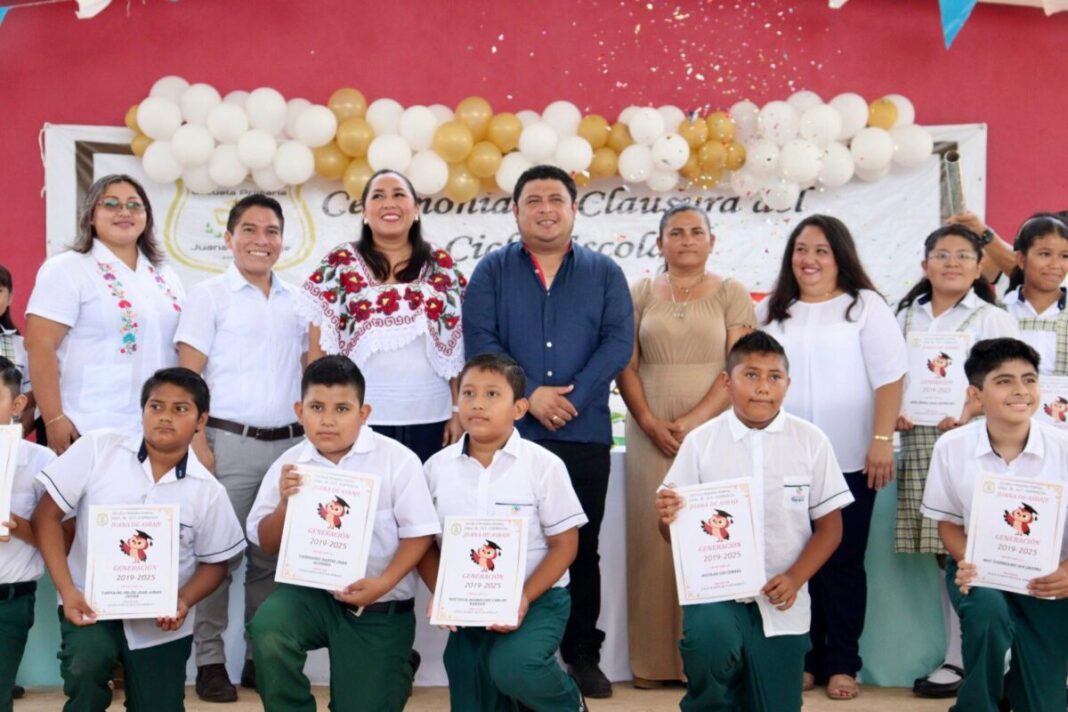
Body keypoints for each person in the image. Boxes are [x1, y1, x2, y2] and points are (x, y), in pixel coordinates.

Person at [462, 164, 633, 698]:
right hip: (511, 433)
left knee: (579, 547)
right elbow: (481, 340)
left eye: (555, 199)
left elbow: (618, 342)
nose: (544, 208)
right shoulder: (490, 271)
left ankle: (581, 654)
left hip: (583, 434)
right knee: (510, 541)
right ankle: (501, 641)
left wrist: (574, 398)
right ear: (515, 211)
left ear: (574, 209)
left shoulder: (604, 272)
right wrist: (529, 393)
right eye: (532, 199)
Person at [655, 331, 853, 712]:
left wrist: (796, 578)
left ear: (787, 385)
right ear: (727, 383)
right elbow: (670, 531)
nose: (763, 387)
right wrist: (667, 518)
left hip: (781, 600)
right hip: (716, 594)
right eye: (751, 375)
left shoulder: (811, 441)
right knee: (710, 643)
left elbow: (831, 529)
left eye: (774, 377)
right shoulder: (701, 442)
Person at [31, 368, 245, 712]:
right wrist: (68, 591)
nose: (165, 417)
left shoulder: (208, 491)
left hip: (162, 622)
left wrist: (183, 600)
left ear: (201, 420)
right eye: (156, 406)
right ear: (142, 409)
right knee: (86, 664)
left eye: (180, 409)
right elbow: (46, 517)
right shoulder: (99, 449)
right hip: (88, 606)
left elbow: (216, 563)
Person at [756, 214, 907, 700]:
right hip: (786, 460)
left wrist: (881, 439)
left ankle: (841, 662)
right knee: (792, 559)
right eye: (801, 249)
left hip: (850, 459)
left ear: (840, 255)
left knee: (842, 562)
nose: (810, 259)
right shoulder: (772, 313)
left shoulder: (864, 307)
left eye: (821, 250)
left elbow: (889, 378)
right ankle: (801, 657)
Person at [246, 355, 439, 712]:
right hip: (312, 597)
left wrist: (382, 585)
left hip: (379, 604)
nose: (328, 420)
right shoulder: (290, 464)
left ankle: (393, 668)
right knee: (269, 627)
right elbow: (266, 543)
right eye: (316, 407)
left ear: (364, 413)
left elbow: (420, 535)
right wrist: (285, 506)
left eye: (342, 409)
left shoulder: (398, 460)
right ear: (299, 410)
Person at [174, 194, 308, 702]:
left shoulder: (299, 301)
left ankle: (259, 658)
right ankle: (209, 661)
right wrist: (197, 441)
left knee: (270, 559)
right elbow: (188, 375)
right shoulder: (210, 295)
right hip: (227, 443)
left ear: (282, 241)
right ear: (229, 239)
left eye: (271, 231)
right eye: (249, 230)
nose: (261, 240)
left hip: (289, 447)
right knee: (218, 555)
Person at [617, 203, 755, 686]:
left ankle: (711, 661)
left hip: (714, 427)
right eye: (676, 232)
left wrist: (694, 421)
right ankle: (653, 662)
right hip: (647, 429)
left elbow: (740, 367)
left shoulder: (732, 293)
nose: (687, 239)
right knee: (653, 541)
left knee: (710, 537)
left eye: (697, 231)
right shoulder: (638, 293)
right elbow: (625, 365)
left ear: (712, 241)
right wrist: (650, 422)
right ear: (660, 243)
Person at [419, 353, 588, 711]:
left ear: (519, 408)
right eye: (468, 393)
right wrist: (444, 594)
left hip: (538, 598)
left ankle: (569, 703)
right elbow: (423, 546)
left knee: (514, 666)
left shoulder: (544, 466)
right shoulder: (435, 468)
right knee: (468, 680)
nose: (477, 403)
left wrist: (523, 598)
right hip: (469, 604)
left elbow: (565, 545)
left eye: (492, 394)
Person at [893, 225, 1019, 698]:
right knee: (947, 554)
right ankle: (959, 656)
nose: (951, 263)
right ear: (925, 264)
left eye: (964, 256)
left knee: (991, 546)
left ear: (979, 266)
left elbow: (1016, 387)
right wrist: (897, 414)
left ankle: (997, 657)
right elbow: (890, 376)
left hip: (979, 444)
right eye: (941, 254)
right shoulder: (903, 315)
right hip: (920, 444)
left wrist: (971, 412)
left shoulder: (992, 319)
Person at [921, 337, 1068, 712]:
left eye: (1029, 379)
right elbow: (949, 523)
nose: (1021, 391)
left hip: (1050, 580)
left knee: (1043, 704)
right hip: (979, 572)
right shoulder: (951, 447)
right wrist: (967, 560)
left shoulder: (1063, 447)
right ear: (976, 394)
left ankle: (1013, 691)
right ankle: (977, 704)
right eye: (1004, 381)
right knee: (987, 610)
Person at [301, 169, 465, 463]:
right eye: (378, 196)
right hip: (358, 418)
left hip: (433, 418)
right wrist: (320, 415)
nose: (389, 202)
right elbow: (318, 350)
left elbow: (455, 345)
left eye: (399, 195)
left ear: (416, 209)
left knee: (422, 505)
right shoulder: (340, 263)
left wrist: (457, 411)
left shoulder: (441, 264)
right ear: (364, 212)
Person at [25, 174, 184, 454]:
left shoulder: (164, 274)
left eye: (134, 205)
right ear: (90, 216)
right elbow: (39, 345)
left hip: (154, 431)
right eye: (111, 204)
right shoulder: (67, 268)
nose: (124, 212)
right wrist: (54, 419)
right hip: (84, 425)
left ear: (147, 216)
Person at [0, 357, 56, 709]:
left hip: (9, 603)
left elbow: (61, 542)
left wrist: (18, 525)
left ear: (18, 404)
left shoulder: (42, 461)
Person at [1002, 213, 1068, 375]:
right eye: (1045, 254)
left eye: (1064, 256)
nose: (1055, 265)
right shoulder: (999, 312)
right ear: (1021, 259)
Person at [0, 265, 34, 436]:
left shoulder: (24, 347)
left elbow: (33, 401)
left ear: (10, 298)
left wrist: (16, 436)